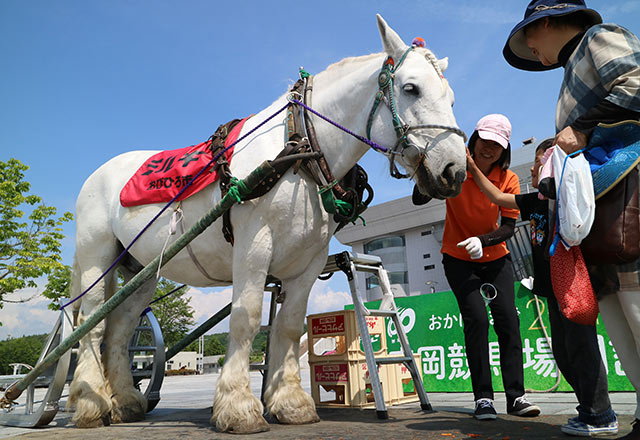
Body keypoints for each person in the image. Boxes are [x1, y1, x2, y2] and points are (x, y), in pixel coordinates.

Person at [504, 1, 640, 438]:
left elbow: (637, 82)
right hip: (600, 216)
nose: (530, 48)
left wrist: (581, 127)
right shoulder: (571, 69)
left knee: (636, 309)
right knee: (620, 322)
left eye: (529, 35)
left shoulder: (599, 38)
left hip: (630, 200)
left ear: (546, 22)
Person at [467, 137, 617, 436]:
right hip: (550, 290)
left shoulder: (571, 199)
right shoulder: (534, 202)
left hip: (572, 286)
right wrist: (471, 165)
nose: (534, 169)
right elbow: (496, 196)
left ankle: (601, 415)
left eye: (540, 163)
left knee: (582, 348)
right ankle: (588, 410)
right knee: (563, 352)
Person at [439, 113, 540, 420]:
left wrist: (483, 241)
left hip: (496, 257)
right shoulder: (455, 169)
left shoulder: (508, 179)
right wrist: (433, 165)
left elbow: (509, 227)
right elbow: (421, 196)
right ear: (474, 139)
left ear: (504, 149)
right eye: (485, 141)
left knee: (508, 320)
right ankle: (483, 398)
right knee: (477, 321)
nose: (489, 149)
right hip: (458, 258)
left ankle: (516, 396)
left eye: (497, 145)